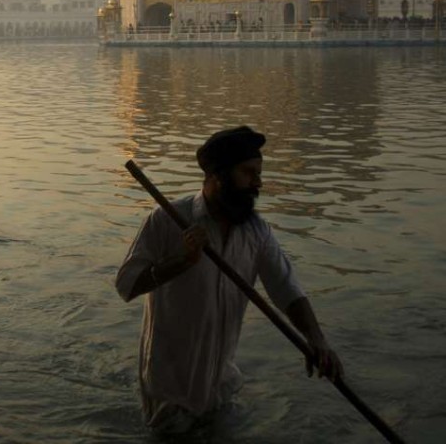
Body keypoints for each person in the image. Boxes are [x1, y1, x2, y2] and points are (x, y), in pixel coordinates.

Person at [115, 126, 343, 434]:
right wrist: (182, 260)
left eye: (258, 173)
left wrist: (316, 339)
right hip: (169, 392)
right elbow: (126, 285)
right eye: (248, 173)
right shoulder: (167, 220)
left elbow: (286, 288)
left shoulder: (256, 231)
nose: (258, 183)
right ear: (218, 176)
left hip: (221, 384)